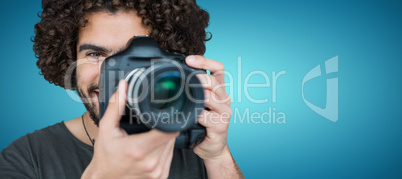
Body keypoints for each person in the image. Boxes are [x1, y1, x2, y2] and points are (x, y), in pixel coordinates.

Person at [0, 0, 244, 178]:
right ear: (69, 59)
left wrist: (217, 156)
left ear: (171, 62)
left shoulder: (191, 137)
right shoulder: (28, 158)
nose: (114, 77)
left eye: (136, 60)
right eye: (95, 54)